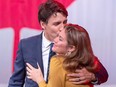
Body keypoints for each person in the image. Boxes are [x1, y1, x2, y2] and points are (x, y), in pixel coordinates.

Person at [8, 0, 108, 87]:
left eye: (64, 22)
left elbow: (103, 74)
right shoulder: (26, 45)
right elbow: (16, 81)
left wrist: (92, 76)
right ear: (43, 24)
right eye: (57, 23)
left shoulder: (74, 41)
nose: (62, 27)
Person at [26, 23, 107, 87]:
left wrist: (39, 79)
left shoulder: (57, 61)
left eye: (60, 39)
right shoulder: (86, 57)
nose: (55, 39)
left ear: (71, 48)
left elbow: (104, 75)